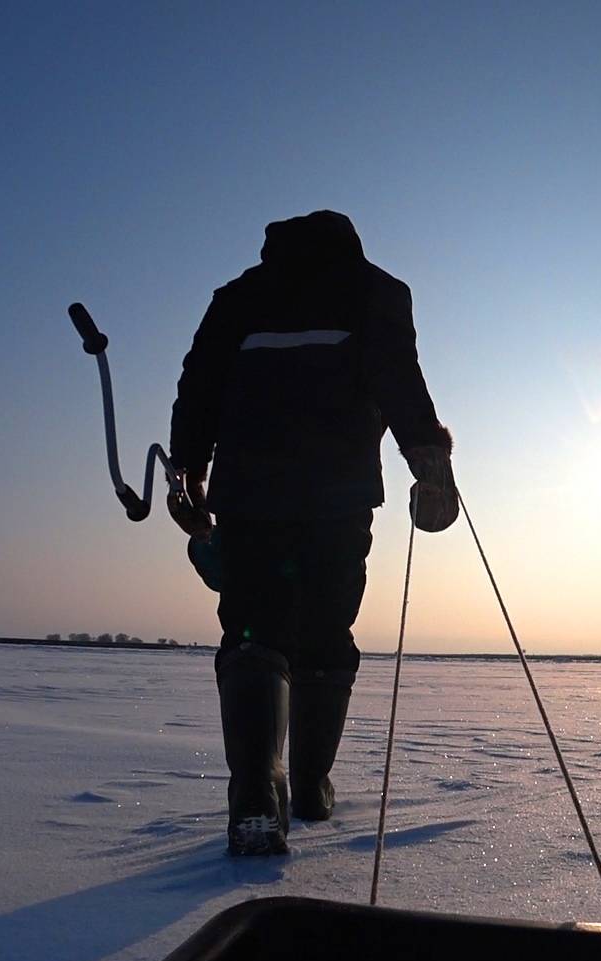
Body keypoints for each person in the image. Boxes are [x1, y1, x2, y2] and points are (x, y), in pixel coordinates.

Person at [166, 210, 457, 856]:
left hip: (250, 497)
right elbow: (400, 382)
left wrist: (187, 469)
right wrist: (430, 462)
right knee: (326, 631)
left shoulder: (238, 297)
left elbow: (199, 389)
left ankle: (256, 797)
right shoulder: (376, 290)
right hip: (339, 496)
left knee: (252, 627)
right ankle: (309, 783)